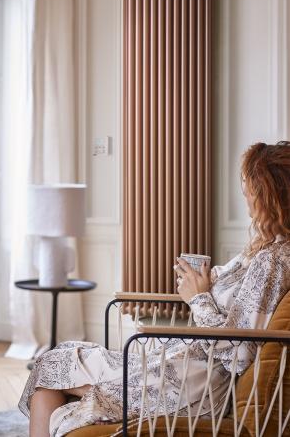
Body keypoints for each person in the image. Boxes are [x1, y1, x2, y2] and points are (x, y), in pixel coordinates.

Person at [19, 141, 290, 437]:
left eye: (250, 188)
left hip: (193, 381)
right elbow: (232, 296)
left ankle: (102, 395)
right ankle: (100, 393)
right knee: (56, 360)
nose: (246, 196)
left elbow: (241, 354)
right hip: (177, 362)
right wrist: (205, 280)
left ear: (269, 194)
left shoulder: (274, 261)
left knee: (51, 377)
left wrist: (198, 297)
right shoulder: (267, 248)